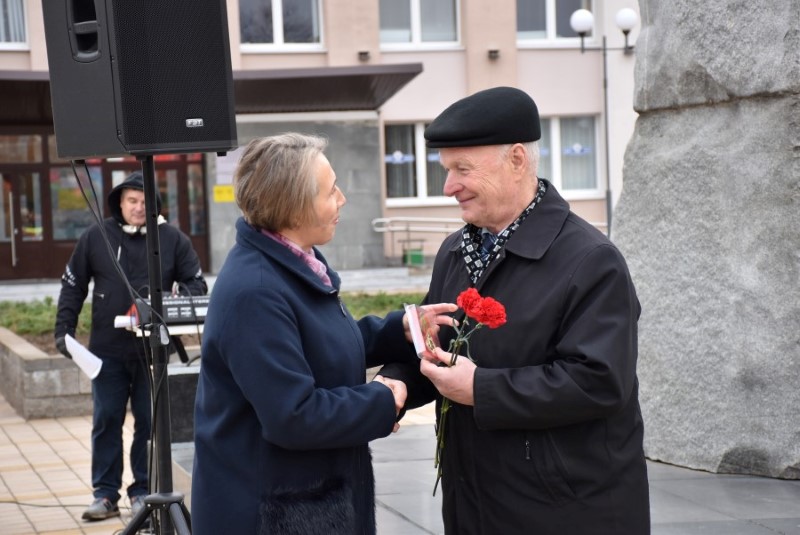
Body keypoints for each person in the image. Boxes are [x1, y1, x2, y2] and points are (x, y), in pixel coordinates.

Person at [379, 86, 650, 534]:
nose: (448, 187)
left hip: (566, 512)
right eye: (446, 170)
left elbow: (600, 382)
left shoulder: (591, 259)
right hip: (476, 504)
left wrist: (481, 388)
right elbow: (438, 349)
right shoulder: (455, 251)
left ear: (518, 160)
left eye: (462, 169)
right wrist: (398, 382)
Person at [191, 133, 456, 535]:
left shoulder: (293, 263)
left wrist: (397, 330)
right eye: (331, 191)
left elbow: (321, 343)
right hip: (273, 515)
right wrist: (384, 397)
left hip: (311, 500)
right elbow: (293, 416)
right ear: (293, 207)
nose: (342, 199)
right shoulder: (256, 291)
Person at [54, 171, 208, 521]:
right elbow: (73, 285)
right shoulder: (97, 237)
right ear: (119, 204)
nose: (138, 207)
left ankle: (142, 492)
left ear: (154, 204)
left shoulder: (172, 239)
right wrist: (64, 330)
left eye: (144, 201)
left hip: (153, 352)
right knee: (106, 419)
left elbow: (196, 284)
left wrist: (178, 297)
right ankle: (105, 494)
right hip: (106, 351)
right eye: (132, 201)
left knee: (149, 422)